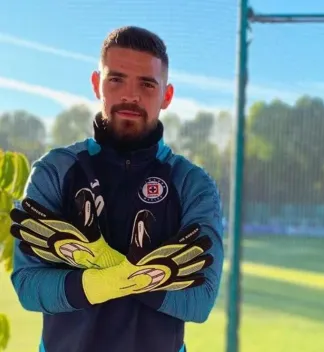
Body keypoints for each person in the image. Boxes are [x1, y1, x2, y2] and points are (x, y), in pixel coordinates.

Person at [8, 26, 224, 352]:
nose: (130, 95)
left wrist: (117, 272)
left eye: (147, 84)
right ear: (97, 84)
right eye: (116, 79)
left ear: (166, 95)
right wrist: (111, 280)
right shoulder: (55, 170)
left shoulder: (192, 183)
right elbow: (27, 285)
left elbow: (201, 300)